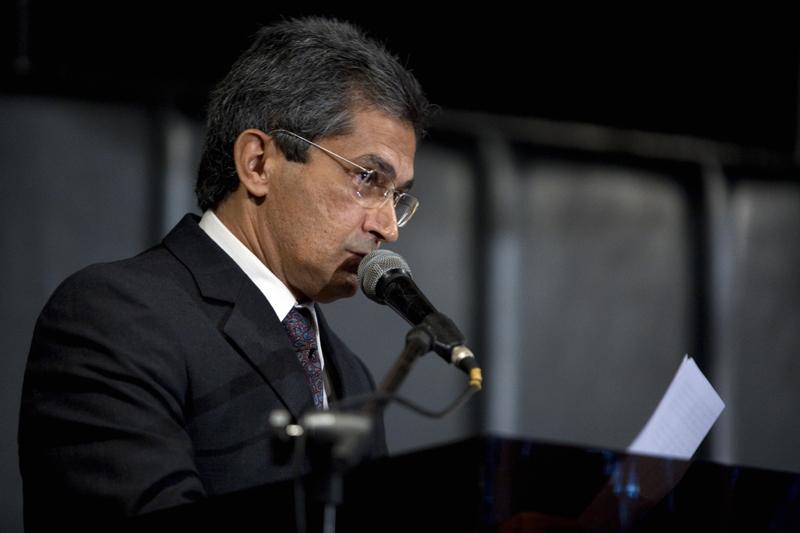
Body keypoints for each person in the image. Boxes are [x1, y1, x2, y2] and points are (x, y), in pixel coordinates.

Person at [18, 16, 432, 529]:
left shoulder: (350, 373)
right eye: (368, 179)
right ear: (258, 163)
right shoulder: (115, 317)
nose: (387, 227)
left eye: (397, 196)